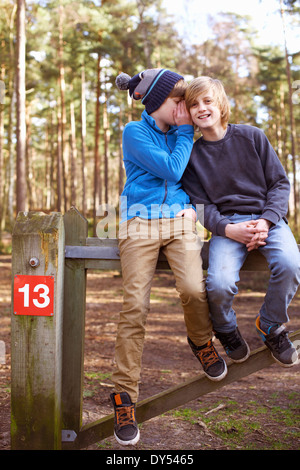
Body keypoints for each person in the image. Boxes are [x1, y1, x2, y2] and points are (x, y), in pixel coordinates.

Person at [110, 69, 227, 446]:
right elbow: (172, 168)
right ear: (159, 102)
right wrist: (182, 132)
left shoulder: (186, 134)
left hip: (179, 221)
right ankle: (124, 396)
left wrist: (196, 209)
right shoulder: (135, 132)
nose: (186, 109)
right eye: (180, 101)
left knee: (194, 288)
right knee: (134, 307)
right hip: (138, 222)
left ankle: (201, 342)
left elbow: (195, 178)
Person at [182, 76, 300, 370]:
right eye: (194, 104)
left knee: (290, 264)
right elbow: (200, 204)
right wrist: (227, 229)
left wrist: (267, 220)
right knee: (219, 284)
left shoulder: (252, 136)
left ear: (221, 104)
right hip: (227, 226)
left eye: (207, 101)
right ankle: (225, 328)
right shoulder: (192, 156)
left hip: (268, 220)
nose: (201, 108)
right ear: (189, 113)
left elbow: (279, 184)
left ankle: (270, 325)